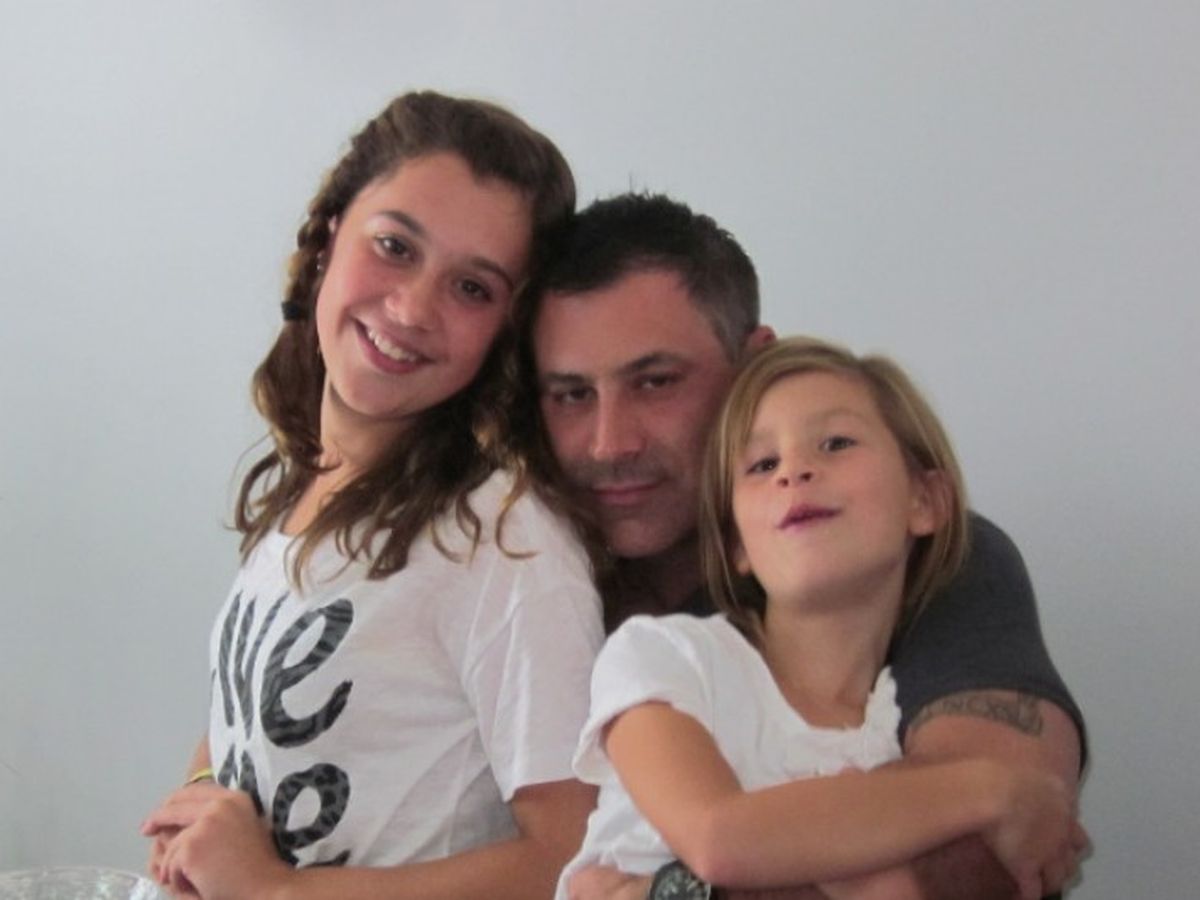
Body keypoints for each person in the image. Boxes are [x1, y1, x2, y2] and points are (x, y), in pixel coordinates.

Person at [524, 194, 1086, 899]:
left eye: (656, 381)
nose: (612, 443)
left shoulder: (928, 568)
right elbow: (726, 840)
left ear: (754, 364)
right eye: (571, 395)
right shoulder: (545, 592)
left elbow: (991, 857)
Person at [140, 91, 604, 900]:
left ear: (507, 328)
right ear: (327, 235)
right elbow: (250, 722)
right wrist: (202, 804)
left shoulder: (503, 543)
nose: (413, 308)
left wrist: (276, 892)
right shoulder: (312, 485)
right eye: (394, 246)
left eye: (472, 288)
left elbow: (575, 858)